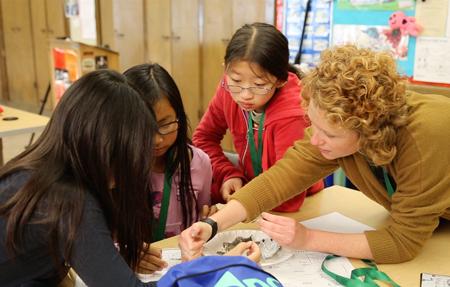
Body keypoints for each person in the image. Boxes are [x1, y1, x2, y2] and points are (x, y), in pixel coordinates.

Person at [179, 44, 450, 264]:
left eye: (330, 135)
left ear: (369, 130)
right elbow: (282, 178)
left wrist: (307, 239)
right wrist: (213, 224)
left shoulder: (425, 136)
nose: (316, 140)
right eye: (314, 126)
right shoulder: (342, 120)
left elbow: (402, 243)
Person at [0, 70, 258, 287]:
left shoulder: (36, 170)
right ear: (105, 146)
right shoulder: (70, 202)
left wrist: (108, 258)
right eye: (136, 150)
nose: (139, 163)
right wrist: (216, 269)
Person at [193, 22, 323, 212]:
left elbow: (289, 196)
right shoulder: (227, 90)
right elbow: (204, 138)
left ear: (280, 80)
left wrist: (239, 203)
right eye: (236, 80)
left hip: (299, 206)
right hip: (255, 197)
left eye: (259, 84)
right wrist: (228, 174)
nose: (245, 95)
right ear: (226, 69)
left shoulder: (292, 115)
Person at [124, 63, 215, 272]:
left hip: (182, 266)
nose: (156, 139)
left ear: (179, 118)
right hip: (131, 268)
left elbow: (203, 214)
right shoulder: (116, 170)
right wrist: (125, 253)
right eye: (144, 128)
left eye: (165, 124)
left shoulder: (199, 163)